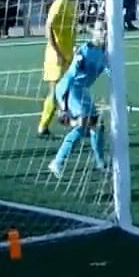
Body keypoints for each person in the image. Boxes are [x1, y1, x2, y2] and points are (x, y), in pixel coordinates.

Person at [47, 21, 111, 179]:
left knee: (97, 126)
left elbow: (111, 72)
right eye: (100, 29)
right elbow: (70, 77)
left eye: (106, 29)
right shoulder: (85, 51)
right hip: (70, 90)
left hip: (81, 91)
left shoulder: (105, 52)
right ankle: (57, 162)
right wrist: (63, 107)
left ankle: (100, 163)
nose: (104, 32)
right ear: (93, 32)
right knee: (85, 125)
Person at [38, 0, 78, 138]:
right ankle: (42, 127)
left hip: (68, 53)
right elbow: (48, 27)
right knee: (55, 93)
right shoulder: (59, 3)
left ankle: (68, 118)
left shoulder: (75, 4)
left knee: (68, 90)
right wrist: (56, 51)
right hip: (55, 55)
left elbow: (73, 28)